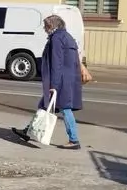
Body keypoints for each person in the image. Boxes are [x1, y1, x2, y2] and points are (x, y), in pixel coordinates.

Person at [13, 14, 84, 149]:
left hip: (61, 80)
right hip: (69, 78)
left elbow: (56, 63)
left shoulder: (56, 39)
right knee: (45, 105)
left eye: (46, 26)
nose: (45, 29)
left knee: (64, 108)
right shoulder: (67, 37)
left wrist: (54, 85)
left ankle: (74, 140)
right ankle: (28, 131)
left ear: (52, 26)